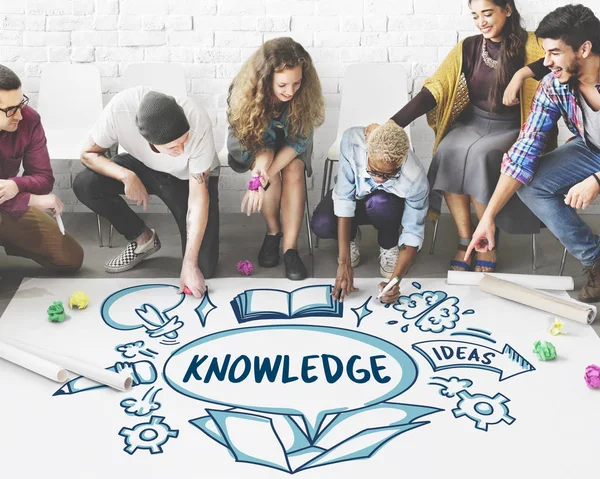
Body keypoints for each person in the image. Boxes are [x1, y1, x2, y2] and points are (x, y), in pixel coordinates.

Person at [387, 0, 555, 273]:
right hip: (473, 122)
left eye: (488, 13)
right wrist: (394, 124)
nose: (481, 22)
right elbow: (436, 88)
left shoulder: (534, 43)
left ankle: (487, 240)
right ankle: (466, 240)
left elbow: (557, 59)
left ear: (507, 10)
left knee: (481, 155)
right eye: (476, 15)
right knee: (447, 150)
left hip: (514, 126)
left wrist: (522, 73)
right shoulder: (469, 46)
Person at [467, 5, 600, 303]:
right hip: (591, 148)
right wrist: (488, 217)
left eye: (554, 52)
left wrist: (596, 180)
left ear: (584, 49)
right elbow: (525, 148)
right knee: (532, 184)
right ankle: (596, 260)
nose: (546, 62)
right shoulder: (555, 85)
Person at [74, 87, 220, 298]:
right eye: (173, 147)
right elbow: (87, 154)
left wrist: (189, 264)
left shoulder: (197, 119)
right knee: (85, 184)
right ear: (150, 142)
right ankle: (142, 238)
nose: (180, 150)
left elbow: (198, 198)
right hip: (142, 166)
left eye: (184, 140)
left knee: (202, 267)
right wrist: (126, 176)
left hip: (188, 176)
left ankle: (192, 261)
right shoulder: (119, 110)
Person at [227, 37, 325, 280]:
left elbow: (299, 142)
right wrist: (262, 171)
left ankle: (290, 248)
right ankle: (273, 232)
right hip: (253, 143)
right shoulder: (243, 93)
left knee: (293, 170)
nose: (290, 91)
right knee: (268, 171)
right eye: (282, 85)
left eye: (297, 83)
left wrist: (263, 176)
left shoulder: (304, 95)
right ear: (266, 78)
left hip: (292, 142)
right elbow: (257, 145)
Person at [311, 121, 429, 304]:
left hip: (386, 208)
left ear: (401, 162)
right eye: (373, 171)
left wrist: (395, 281)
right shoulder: (352, 141)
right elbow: (344, 198)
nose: (379, 179)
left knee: (379, 202)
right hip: (356, 199)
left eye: (389, 175)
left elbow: (413, 232)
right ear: (367, 152)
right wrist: (344, 263)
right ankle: (350, 236)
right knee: (322, 224)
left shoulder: (415, 178)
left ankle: (389, 243)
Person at [0, 64, 83, 272]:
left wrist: (15, 186)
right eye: (10, 110)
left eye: (21, 104)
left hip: (9, 204)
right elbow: (35, 195)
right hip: (13, 202)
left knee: (71, 257)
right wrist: (31, 199)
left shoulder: (29, 120)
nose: (19, 115)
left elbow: (44, 178)